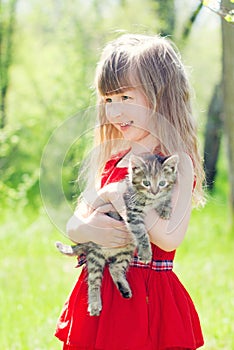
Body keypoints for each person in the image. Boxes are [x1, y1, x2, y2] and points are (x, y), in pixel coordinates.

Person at [55, 33, 205, 350]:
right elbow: (73, 225)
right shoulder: (113, 160)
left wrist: (119, 197)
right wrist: (89, 228)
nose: (115, 111)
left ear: (160, 97)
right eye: (108, 100)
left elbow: (168, 237)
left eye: (125, 98)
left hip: (145, 299)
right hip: (101, 293)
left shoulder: (175, 163)